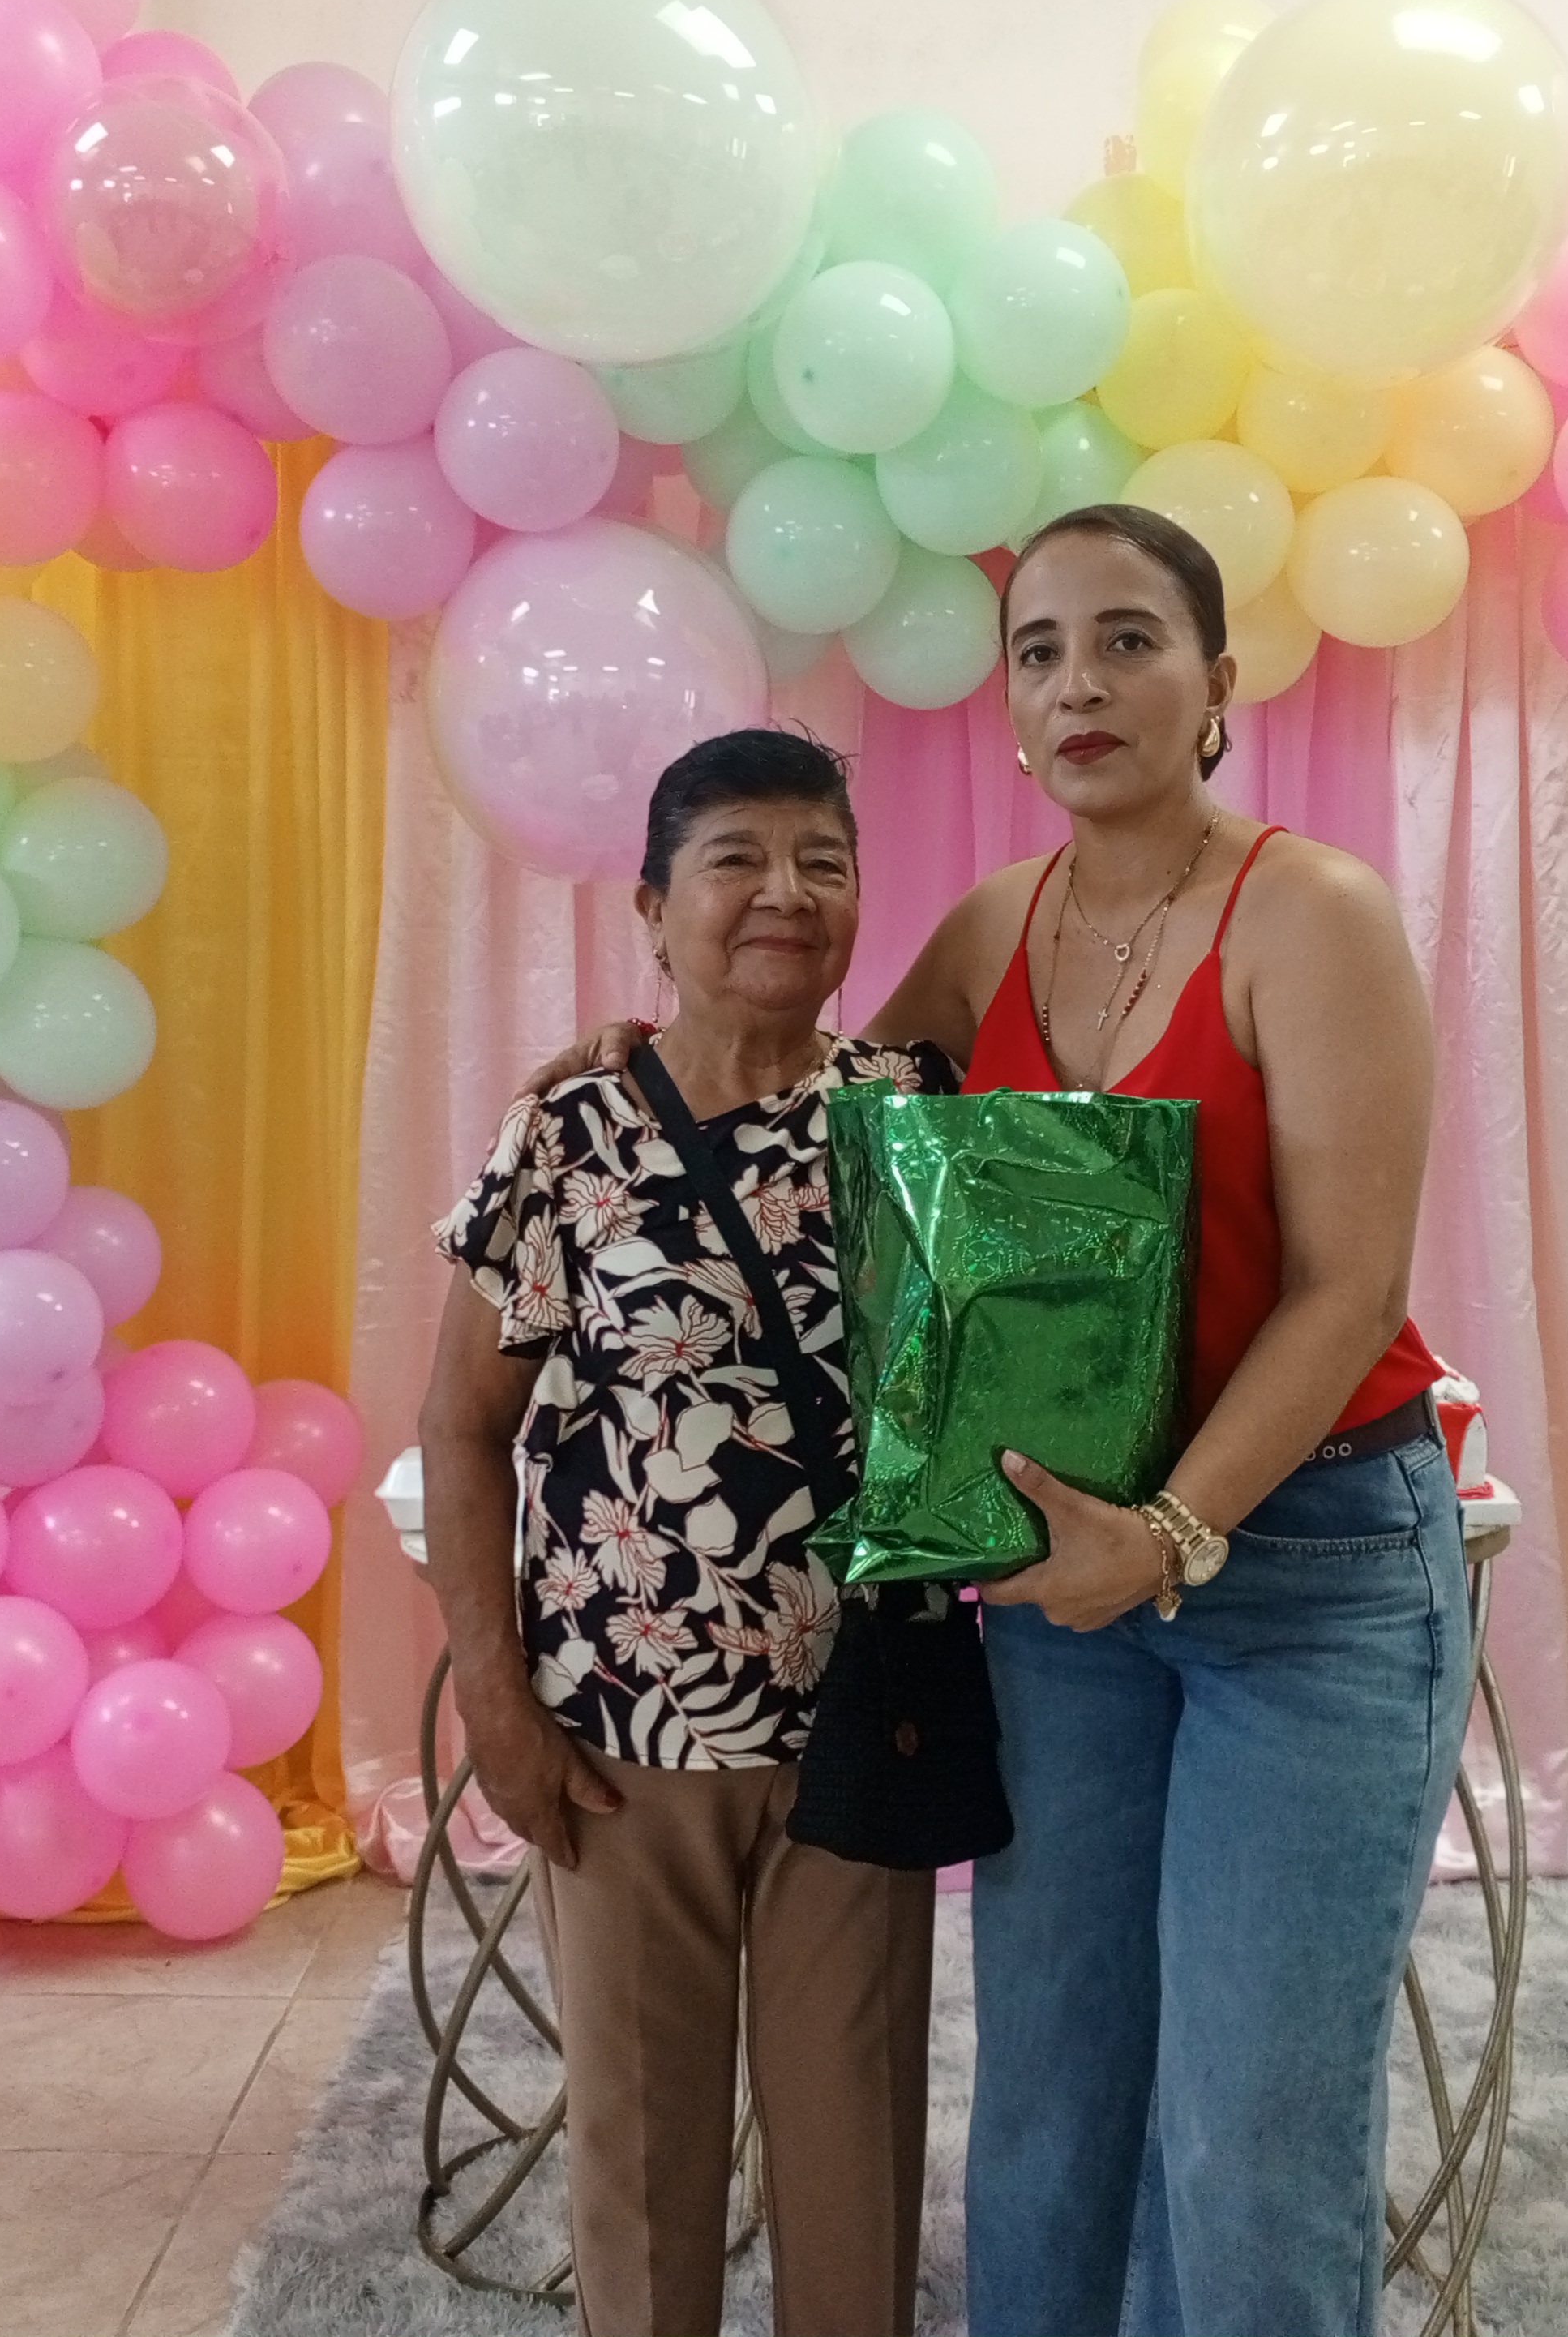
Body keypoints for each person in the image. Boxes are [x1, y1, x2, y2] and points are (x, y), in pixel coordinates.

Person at [541, 504, 1463, 2337]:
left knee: (1246, 2139)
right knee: (1046, 2101)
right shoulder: (994, 928)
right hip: (1061, 1586)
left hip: (1308, 1576)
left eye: (1127, 641)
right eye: (1038, 651)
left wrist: (1172, 1535)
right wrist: (647, 1060)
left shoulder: (1315, 915)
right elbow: (812, 1117)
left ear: (1217, 681)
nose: (1076, 685)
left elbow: (1348, 1293)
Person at [416, 727, 952, 2337]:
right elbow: (462, 1426)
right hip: (622, 1729)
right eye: (737, 860)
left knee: (854, 2145)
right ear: (653, 907)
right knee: (642, 2153)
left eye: (823, 861)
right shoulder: (567, 1135)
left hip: (864, 1718)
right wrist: (493, 1698)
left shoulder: (919, 1118)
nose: (785, 892)